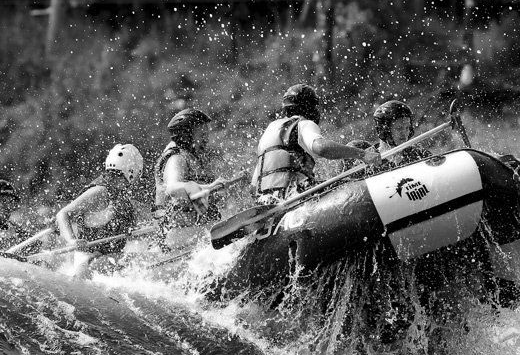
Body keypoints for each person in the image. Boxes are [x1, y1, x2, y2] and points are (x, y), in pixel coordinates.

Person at [251, 84, 380, 203]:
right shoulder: (303, 124)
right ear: (309, 108)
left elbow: (253, 186)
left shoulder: (269, 133)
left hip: (268, 201)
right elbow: (321, 148)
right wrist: (362, 154)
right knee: (349, 183)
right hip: (295, 197)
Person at [56, 144, 143, 277]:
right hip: (88, 261)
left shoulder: (119, 193)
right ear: (132, 170)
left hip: (106, 259)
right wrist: (72, 241)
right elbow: (63, 214)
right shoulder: (101, 192)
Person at [154, 107, 221, 248]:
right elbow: (172, 188)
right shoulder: (176, 158)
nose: (206, 139)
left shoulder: (194, 158)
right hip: (178, 236)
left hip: (194, 232)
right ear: (186, 135)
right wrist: (206, 187)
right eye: (202, 134)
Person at [372, 100, 432, 168]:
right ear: (385, 131)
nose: (404, 133)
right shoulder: (370, 161)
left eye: (407, 128)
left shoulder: (419, 154)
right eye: (399, 128)